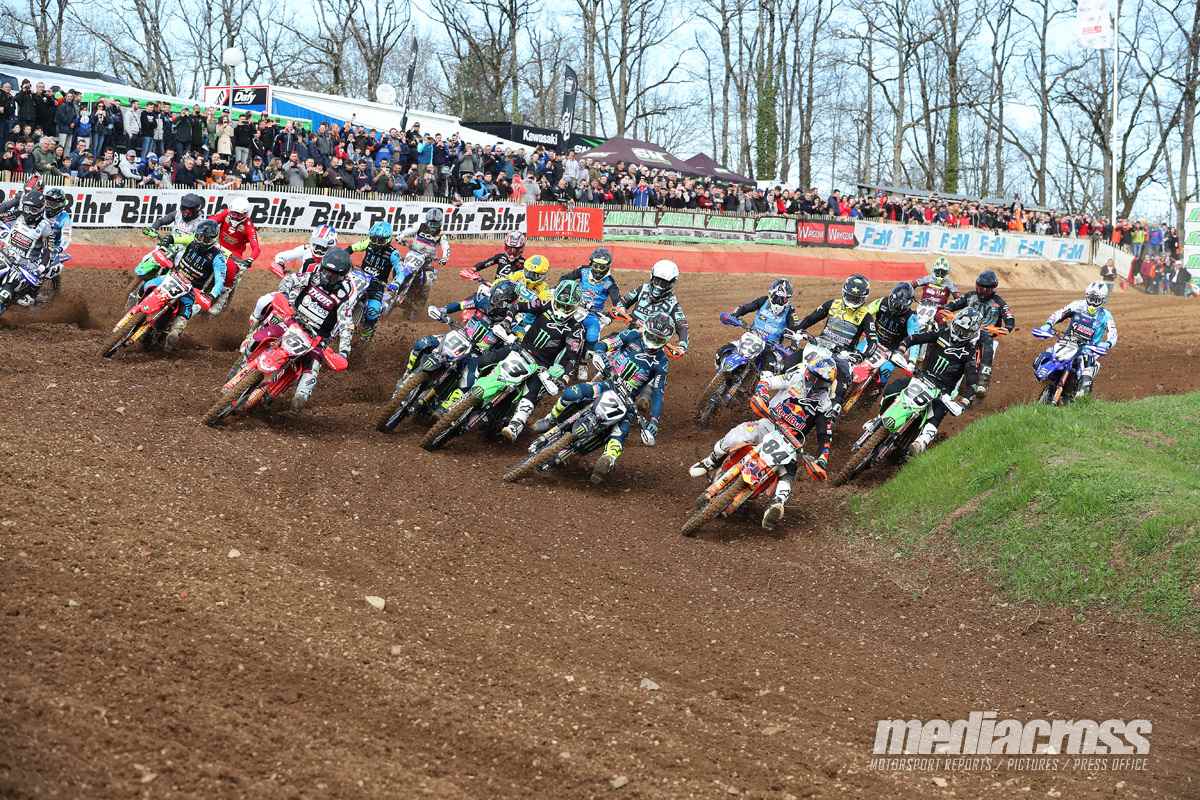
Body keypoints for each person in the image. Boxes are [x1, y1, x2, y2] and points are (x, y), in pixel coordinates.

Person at [688, 343, 839, 530]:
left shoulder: (824, 403)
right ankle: (711, 460)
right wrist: (762, 395)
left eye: (821, 381)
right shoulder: (795, 377)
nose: (816, 384)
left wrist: (822, 459)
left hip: (790, 441)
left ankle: (777, 504)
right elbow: (768, 382)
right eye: (815, 377)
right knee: (739, 434)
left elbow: (825, 434)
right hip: (769, 422)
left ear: (828, 384)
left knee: (788, 471)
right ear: (808, 371)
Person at [532, 311, 673, 483]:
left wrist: (654, 421)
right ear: (646, 330)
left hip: (627, 400)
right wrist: (600, 353)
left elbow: (658, 392)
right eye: (652, 336)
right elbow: (605, 343)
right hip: (608, 383)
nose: (653, 342)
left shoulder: (662, 363)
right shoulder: (632, 335)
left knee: (622, 431)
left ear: (665, 341)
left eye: (658, 339)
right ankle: (551, 418)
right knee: (572, 393)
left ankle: (608, 459)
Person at [242, 248, 358, 412]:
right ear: (322, 267)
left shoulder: (342, 297)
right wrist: (284, 296)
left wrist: (344, 352)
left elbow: (346, 325)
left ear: (342, 277)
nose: (328, 277)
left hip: (316, 340)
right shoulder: (312, 277)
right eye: (326, 272)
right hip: (293, 321)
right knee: (260, 336)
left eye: (334, 275)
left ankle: (283, 397)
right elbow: (290, 280)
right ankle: (243, 363)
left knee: (307, 381)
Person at [879, 305, 984, 456]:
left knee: (937, 413)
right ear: (954, 323)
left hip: (943, 391)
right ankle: (879, 419)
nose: (959, 333)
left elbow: (972, 379)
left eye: (964, 332)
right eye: (958, 328)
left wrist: (964, 401)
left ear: (972, 333)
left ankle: (921, 442)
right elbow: (915, 338)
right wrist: (902, 349)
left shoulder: (969, 352)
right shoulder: (943, 333)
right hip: (922, 377)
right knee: (893, 388)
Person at [792, 273, 873, 415]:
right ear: (844, 292)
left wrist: (861, 355)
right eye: (850, 296)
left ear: (863, 298)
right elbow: (810, 319)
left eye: (856, 298)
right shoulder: (832, 304)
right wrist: (797, 330)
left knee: (842, 382)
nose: (852, 300)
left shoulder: (866, 316)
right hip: (819, 346)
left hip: (842, 355)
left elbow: (873, 342)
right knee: (791, 361)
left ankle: (833, 412)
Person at [142, 219, 227, 351]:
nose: (201, 241)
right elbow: (178, 238)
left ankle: (173, 335)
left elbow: (220, 281)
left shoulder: (218, 257)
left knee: (184, 312)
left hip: (191, 289)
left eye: (205, 239)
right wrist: (169, 239)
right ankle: (138, 307)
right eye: (199, 236)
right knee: (148, 284)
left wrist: (212, 295)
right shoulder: (192, 240)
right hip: (173, 276)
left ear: (213, 239)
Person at [1032, 282, 1118, 400]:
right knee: (1048, 354)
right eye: (1091, 299)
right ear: (1086, 296)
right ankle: (1048, 380)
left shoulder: (1106, 315)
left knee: (1086, 366)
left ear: (1103, 300)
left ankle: (1081, 398)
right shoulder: (1077, 305)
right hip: (1068, 342)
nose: (1092, 303)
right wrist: (1048, 324)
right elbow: (1059, 313)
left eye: (1096, 300)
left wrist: (1107, 343)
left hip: (1089, 349)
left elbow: (1113, 333)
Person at [943, 270, 1015, 396]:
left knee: (988, 345)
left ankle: (983, 381)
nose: (983, 291)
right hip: (965, 329)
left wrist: (1008, 326)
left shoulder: (998, 302)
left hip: (984, 332)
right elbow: (956, 303)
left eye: (987, 289)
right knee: (945, 334)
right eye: (981, 288)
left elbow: (1009, 316)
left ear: (993, 289)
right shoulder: (970, 296)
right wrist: (948, 308)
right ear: (977, 285)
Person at [557, 247, 625, 378]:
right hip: (574, 307)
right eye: (596, 265)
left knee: (592, 335)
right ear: (591, 263)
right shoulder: (583, 271)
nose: (598, 270)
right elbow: (564, 278)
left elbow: (617, 299)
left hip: (592, 314)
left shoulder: (609, 282)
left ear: (608, 267)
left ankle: (583, 362)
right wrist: (562, 288)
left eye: (602, 267)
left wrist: (619, 308)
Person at [717, 278, 800, 373]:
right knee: (721, 353)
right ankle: (723, 375)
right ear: (773, 295)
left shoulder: (790, 311)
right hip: (751, 337)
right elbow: (745, 308)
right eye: (782, 298)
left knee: (770, 368)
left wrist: (793, 347)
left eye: (786, 299)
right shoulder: (763, 300)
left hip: (771, 347)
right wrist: (733, 316)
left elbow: (796, 329)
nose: (784, 301)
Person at [347, 220, 405, 341]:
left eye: (380, 240)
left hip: (377, 286)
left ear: (388, 239)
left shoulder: (393, 254)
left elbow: (401, 272)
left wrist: (396, 283)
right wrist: (341, 256)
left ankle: (367, 333)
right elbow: (351, 249)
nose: (376, 243)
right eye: (373, 239)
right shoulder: (367, 243)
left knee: (373, 310)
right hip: (359, 278)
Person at [0, 190, 59, 308]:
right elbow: (1, 216)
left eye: (33, 210)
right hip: (5, 254)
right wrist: (14, 202)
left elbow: (48, 250)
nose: (28, 213)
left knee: (6, 294)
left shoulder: (46, 227)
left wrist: (42, 267)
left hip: (23, 265)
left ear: (41, 210)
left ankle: (30, 294)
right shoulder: (19, 214)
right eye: (26, 208)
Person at [208, 197, 260, 314]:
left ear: (246, 214)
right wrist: (210, 223)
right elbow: (213, 219)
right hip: (218, 246)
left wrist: (250, 259)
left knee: (231, 271)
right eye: (233, 213)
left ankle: (221, 300)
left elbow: (256, 247)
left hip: (234, 254)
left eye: (239, 214)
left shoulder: (248, 226)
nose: (235, 217)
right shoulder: (225, 214)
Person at [863, 282, 917, 386]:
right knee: (856, 358)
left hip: (892, 351)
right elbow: (865, 313)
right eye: (895, 304)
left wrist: (912, 361)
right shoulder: (882, 302)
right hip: (873, 341)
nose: (897, 308)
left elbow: (914, 339)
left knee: (885, 374)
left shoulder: (911, 317)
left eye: (901, 306)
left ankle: (876, 391)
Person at [272, 225, 338, 277]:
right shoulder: (307, 249)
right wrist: (280, 264)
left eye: (323, 247)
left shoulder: (336, 257)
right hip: (300, 285)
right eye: (317, 244)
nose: (319, 250)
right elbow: (280, 256)